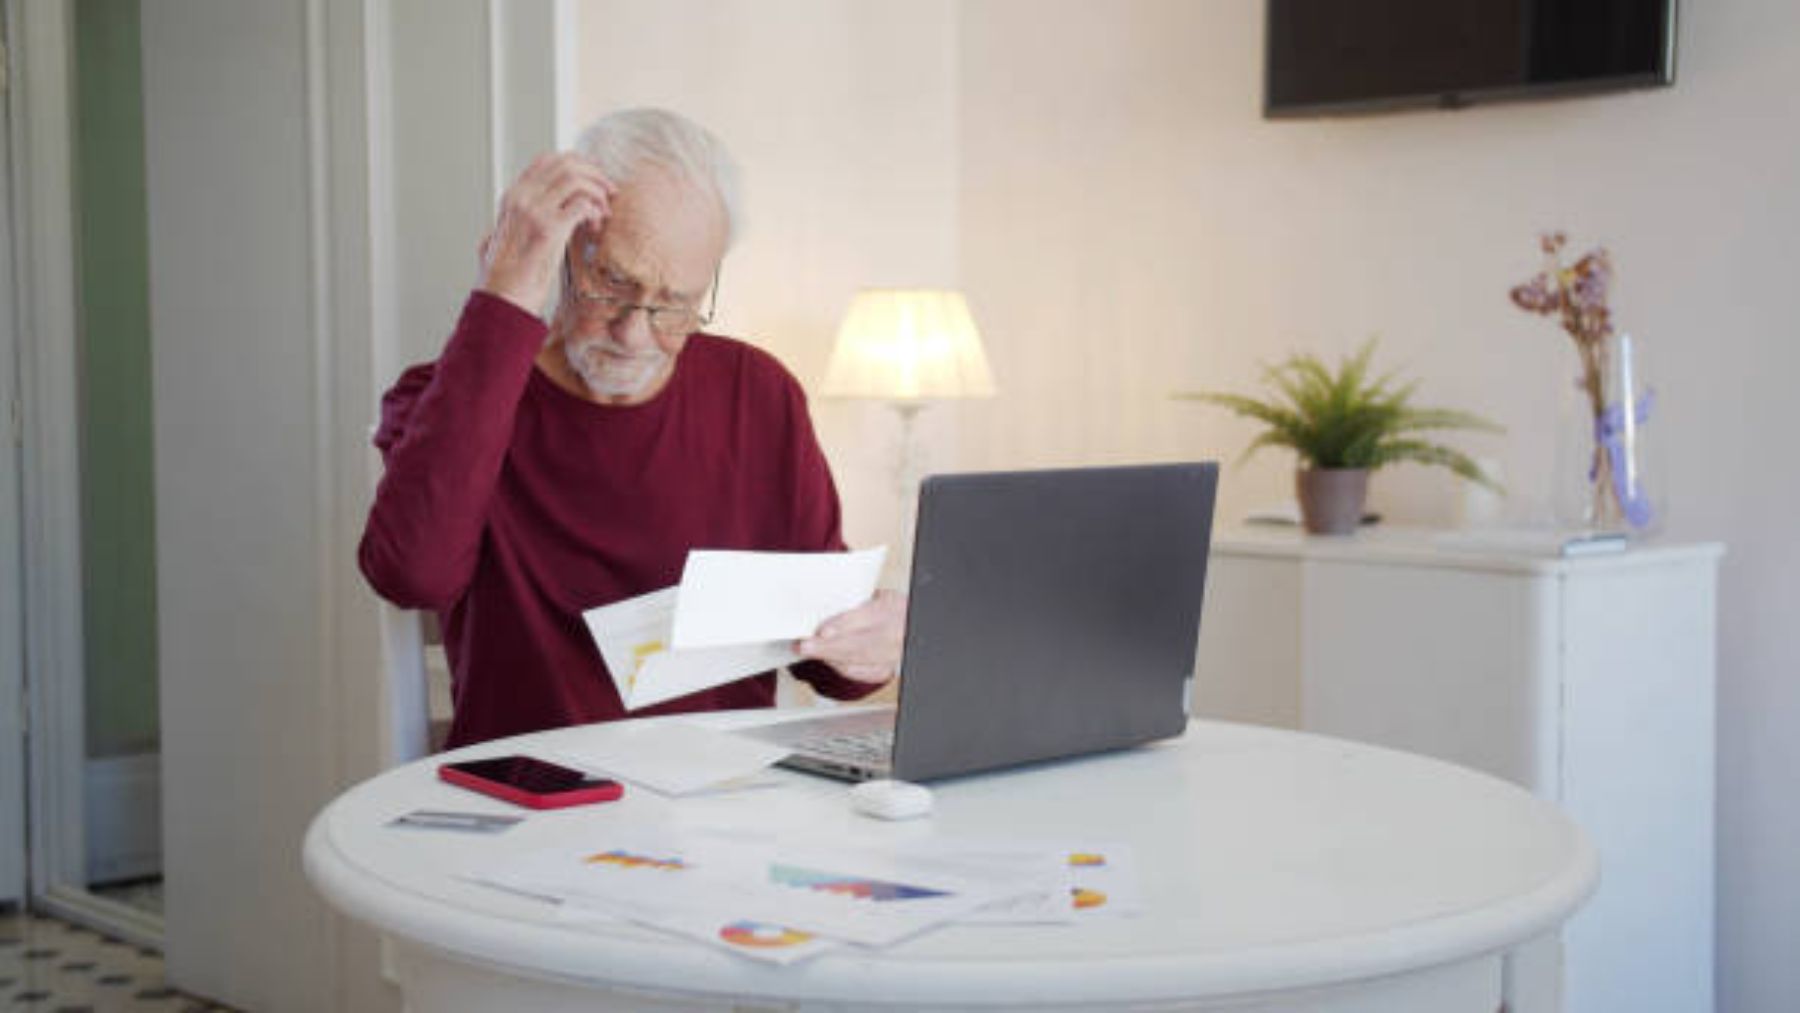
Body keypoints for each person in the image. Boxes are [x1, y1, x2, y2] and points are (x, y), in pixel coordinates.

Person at [358, 108, 904, 749]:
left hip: (722, 800)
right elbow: (410, 576)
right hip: (533, 796)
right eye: (611, 283)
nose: (633, 332)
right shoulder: (446, 395)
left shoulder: (759, 393)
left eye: (674, 302)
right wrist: (504, 294)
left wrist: (872, 642)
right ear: (563, 254)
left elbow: (825, 663)